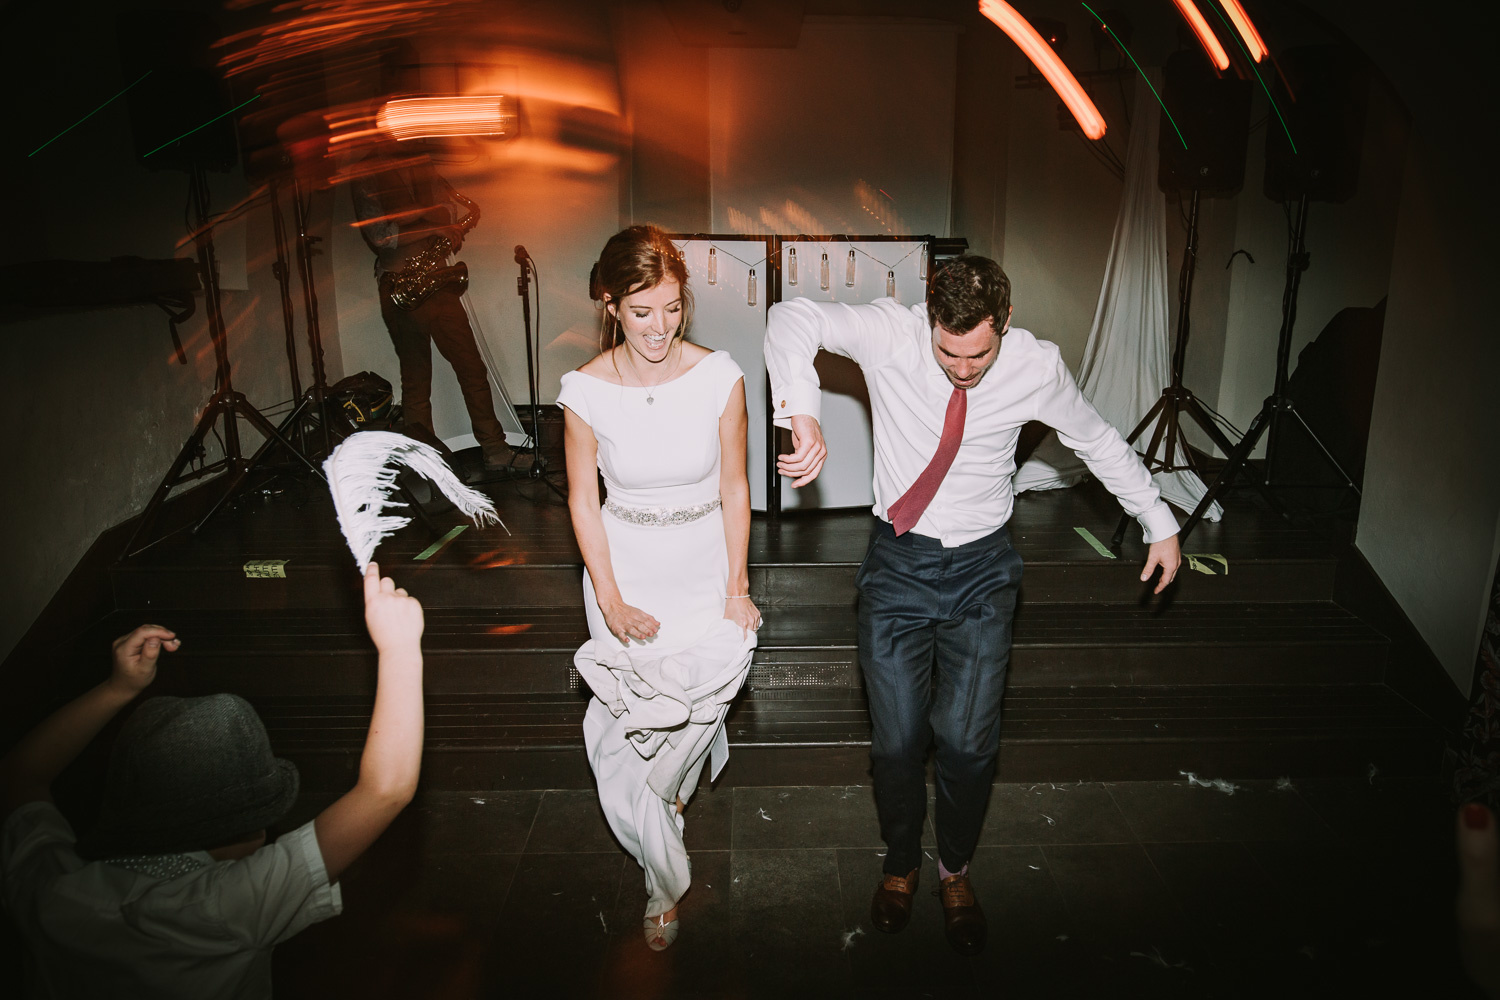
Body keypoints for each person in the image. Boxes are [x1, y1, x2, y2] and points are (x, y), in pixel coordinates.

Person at [764, 255, 1181, 956]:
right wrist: (801, 414)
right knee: (897, 742)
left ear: (1005, 323)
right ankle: (902, 861)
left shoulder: (1036, 366)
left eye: (978, 355)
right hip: (898, 567)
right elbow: (790, 317)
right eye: (948, 352)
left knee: (967, 742)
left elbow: (1097, 440)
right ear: (930, 321)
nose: (962, 369)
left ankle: (954, 869)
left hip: (984, 573)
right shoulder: (893, 334)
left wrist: (1158, 520)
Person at [0, 562, 425, 997]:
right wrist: (400, 648)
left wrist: (117, 688)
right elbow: (386, 790)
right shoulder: (229, 907)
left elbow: (20, 776)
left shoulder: (52, 890)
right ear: (239, 829)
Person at [558, 224, 759, 951]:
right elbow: (583, 502)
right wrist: (609, 599)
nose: (659, 327)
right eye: (642, 311)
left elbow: (735, 488)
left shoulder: (720, 377)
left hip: (704, 572)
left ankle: (670, 801)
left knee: (694, 715)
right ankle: (661, 879)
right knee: (630, 744)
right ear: (611, 304)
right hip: (627, 575)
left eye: (672, 309)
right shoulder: (583, 391)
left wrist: (737, 587)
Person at [350, 140, 525, 474]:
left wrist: (423, 220)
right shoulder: (365, 172)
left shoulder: (421, 162)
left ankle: (496, 450)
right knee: (417, 382)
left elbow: (448, 211)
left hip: (438, 281)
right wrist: (429, 220)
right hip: (400, 284)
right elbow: (382, 236)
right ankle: (424, 465)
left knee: (472, 369)